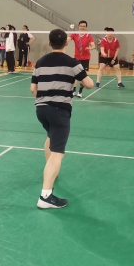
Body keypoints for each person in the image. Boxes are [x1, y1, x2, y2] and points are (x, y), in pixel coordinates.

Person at [31, 28, 94, 209]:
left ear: (49, 43)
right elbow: (89, 84)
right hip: (59, 111)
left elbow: (33, 89)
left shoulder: (40, 62)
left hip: (41, 109)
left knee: (51, 137)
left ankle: (51, 171)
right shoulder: (72, 63)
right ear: (67, 43)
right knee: (57, 153)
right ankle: (45, 197)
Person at [67, 20, 95, 97]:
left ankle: (80, 91)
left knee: (83, 75)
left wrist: (89, 48)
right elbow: (68, 39)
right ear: (78, 26)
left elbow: (93, 45)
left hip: (86, 58)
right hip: (77, 57)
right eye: (81, 26)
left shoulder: (88, 36)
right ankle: (73, 90)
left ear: (86, 27)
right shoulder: (74, 34)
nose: (82, 27)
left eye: (84, 26)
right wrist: (64, 42)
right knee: (75, 74)